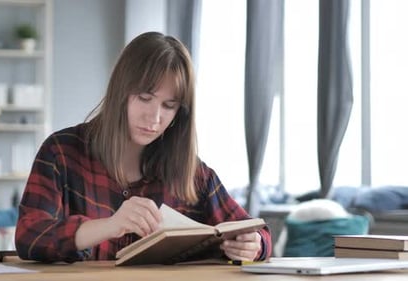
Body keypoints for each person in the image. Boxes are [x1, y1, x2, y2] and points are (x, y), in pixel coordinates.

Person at [15, 31, 272, 263]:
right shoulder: (61, 152)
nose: (154, 118)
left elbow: (253, 231)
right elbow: (29, 236)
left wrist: (255, 245)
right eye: (144, 98)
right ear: (120, 92)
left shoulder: (192, 173)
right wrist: (110, 226)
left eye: (169, 106)